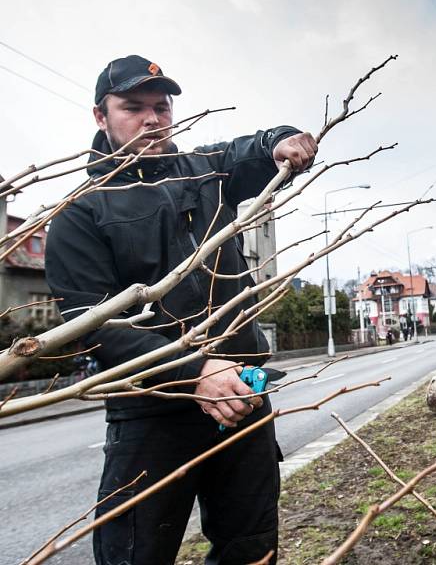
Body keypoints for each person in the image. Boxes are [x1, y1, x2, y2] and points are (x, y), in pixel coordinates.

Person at [45, 55, 317, 565]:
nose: (152, 119)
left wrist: (284, 137)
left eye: (161, 107)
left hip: (241, 399)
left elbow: (255, 149)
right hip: (151, 412)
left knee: (252, 550)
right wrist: (194, 370)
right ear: (100, 116)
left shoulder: (206, 172)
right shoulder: (80, 213)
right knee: (134, 555)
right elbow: (92, 327)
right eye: (133, 107)